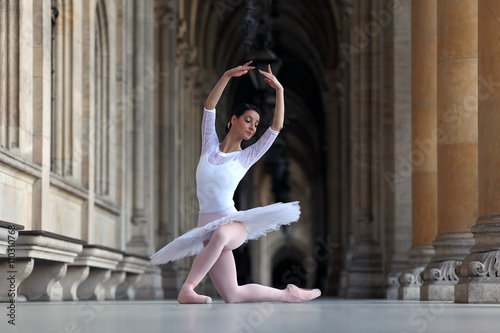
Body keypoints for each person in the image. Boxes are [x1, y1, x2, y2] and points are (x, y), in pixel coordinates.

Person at [150, 61, 321, 303]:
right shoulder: (209, 146)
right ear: (233, 119)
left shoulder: (246, 157)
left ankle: (187, 288)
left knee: (220, 235)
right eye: (248, 120)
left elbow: (276, 127)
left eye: (255, 124)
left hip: (232, 225)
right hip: (207, 227)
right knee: (233, 294)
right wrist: (227, 75)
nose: (252, 127)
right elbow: (209, 106)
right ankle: (288, 294)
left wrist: (280, 91)